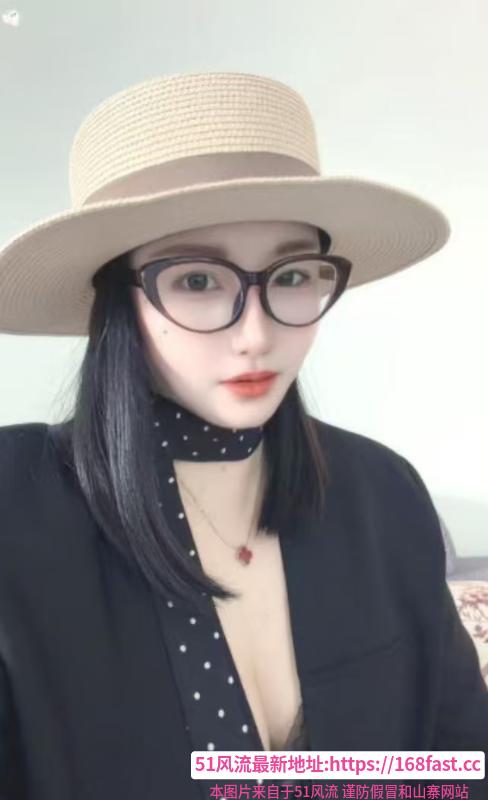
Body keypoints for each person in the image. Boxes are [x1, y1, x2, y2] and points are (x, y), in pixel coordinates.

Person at [0, 71, 486, 800]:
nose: (256, 334)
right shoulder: (14, 506)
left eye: (290, 275)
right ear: (117, 300)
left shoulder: (381, 491)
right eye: (198, 281)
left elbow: (456, 762)